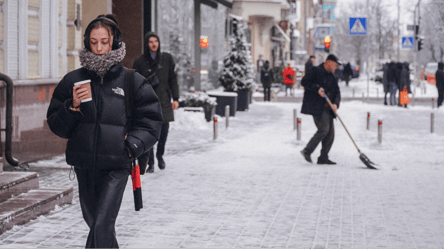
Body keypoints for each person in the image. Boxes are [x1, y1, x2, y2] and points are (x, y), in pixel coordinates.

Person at [46, 15, 163, 248]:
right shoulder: (73, 80)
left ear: (115, 42)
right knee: (97, 224)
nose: (99, 48)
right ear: (87, 43)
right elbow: (57, 125)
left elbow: (151, 121)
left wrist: (131, 147)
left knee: (101, 225)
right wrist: (72, 107)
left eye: (104, 42)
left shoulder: (132, 81)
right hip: (84, 165)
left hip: (117, 165)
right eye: (93, 42)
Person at [133, 32, 179, 173]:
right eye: (151, 41)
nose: (154, 44)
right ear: (147, 44)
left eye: (156, 41)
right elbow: (135, 83)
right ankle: (150, 162)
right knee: (150, 133)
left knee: (164, 132)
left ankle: (160, 155)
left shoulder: (166, 59)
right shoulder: (140, 62)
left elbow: (173, 80)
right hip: (148, 102)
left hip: (164, 100)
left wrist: (176, 98)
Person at [300, 54, 341, 165]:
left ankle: (323, 157)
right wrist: (317, 88)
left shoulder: (332, 77)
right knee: (324, 129)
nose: (336, 67)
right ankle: (307, 150)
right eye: (335, 65)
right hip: (317, 106)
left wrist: (336, 104)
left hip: (328, 108)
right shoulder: (315, 71)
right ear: (328, 63)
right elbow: (304, 82)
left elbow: (337, 92)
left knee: (330, 134)